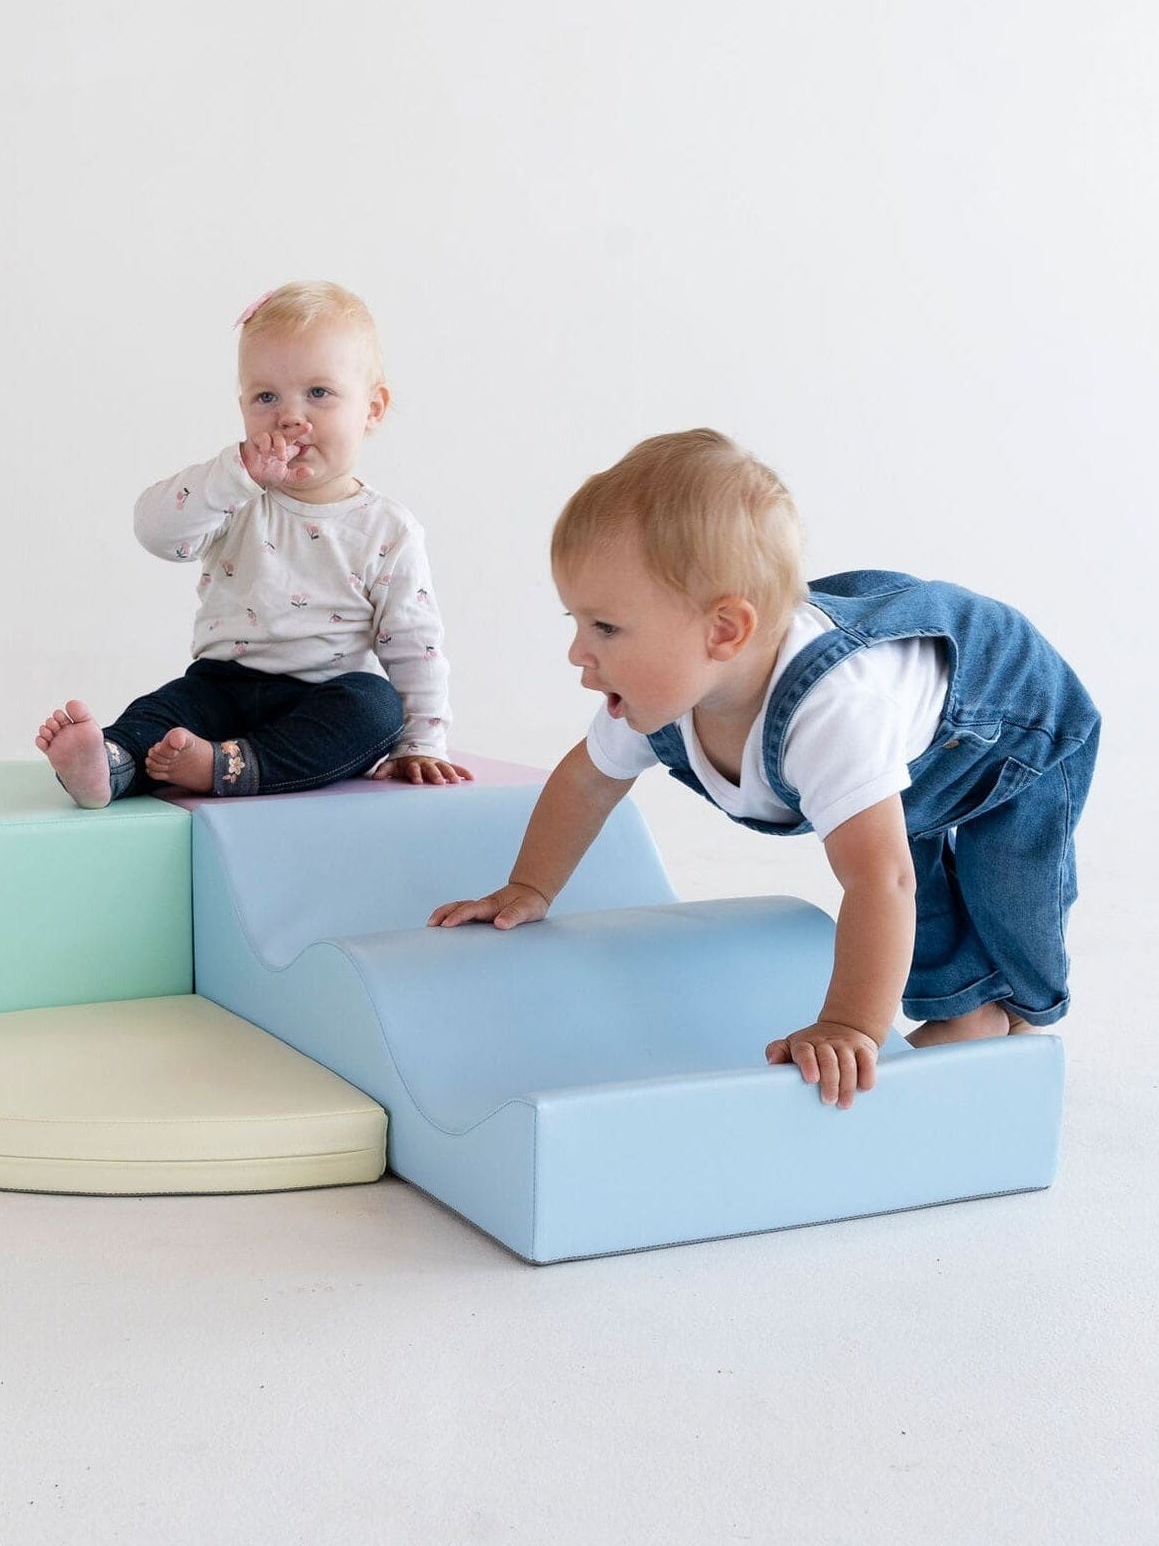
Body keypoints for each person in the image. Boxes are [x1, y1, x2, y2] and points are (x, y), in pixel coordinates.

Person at [429, 429, 1098, 1109]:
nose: (578, 651)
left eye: (605, 629)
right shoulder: (664, 695)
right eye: (576, 621)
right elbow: (586, 780)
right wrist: (529, 886)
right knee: (921, 897)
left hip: (1011, 725)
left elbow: (877, 879)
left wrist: (849, 1026)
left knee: (1010, 901)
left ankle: (1019, 1014)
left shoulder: (831, 715)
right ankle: (965, 1012)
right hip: (911, 755)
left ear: (723, 632)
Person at [38, 280, 473, 803]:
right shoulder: (234, 496)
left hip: (322, 698)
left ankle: (233, 766)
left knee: (375, 707)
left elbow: (414, 643)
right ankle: (109, 764)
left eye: (319, 393)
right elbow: (157, 534)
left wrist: (421, 743)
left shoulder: (388, 528)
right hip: (221, 686)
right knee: (164, 712)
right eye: (266, 397)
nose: (289, 416)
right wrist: (234, 474)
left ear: (372, 409)